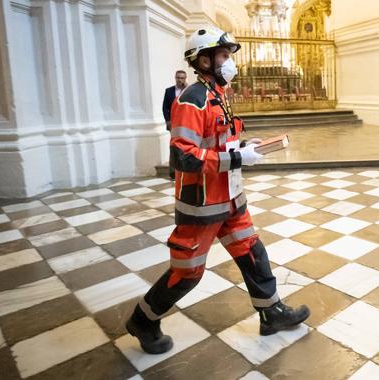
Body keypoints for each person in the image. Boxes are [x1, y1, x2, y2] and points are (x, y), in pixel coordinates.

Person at [125, 25, 310, 354]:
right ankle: (143, 319)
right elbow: (183, 156)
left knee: (253, 254)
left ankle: (271, 313)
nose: (230, 63)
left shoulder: (216, 95)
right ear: (205, 60)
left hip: (230, 199)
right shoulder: (191, 100)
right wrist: (238, 156)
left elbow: (216, 141)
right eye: (224, 55)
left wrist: (242, 144)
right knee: (187, 273)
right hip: (203, 206)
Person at [163, 71, 187, 179]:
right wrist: (168, 121)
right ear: (175, 78)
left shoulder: (189, 91)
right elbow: (165, 107)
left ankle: (186, 170)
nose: (180, 80)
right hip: (174, 124)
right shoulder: (169, 91)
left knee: (186, 146)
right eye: (178, 77)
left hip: (187, 123)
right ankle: (173, 172)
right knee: (174, 146)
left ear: (185, 78)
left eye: (182, 78)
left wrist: (186, 89)